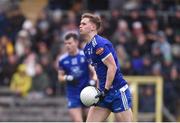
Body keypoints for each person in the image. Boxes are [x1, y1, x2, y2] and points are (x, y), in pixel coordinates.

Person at [79, 13, 133, 122]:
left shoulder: (100, 44)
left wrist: (106, 89)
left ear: (93, 27)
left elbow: (112, 67)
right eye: (80, 23)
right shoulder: (87, 49)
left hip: (117, 92)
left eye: (84, 24)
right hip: (103, 94)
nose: (80, 26)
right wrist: (100, 90)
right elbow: (98, 71)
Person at [58, 32, 97, 122]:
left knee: (90, 120)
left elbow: (94, 71)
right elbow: (60, 77)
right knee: (78, 121)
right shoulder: (63, 60)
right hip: (73, 94)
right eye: (66, 43)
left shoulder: (84, 55)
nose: (67, 46)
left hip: (86, 93)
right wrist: (67, 78)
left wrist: (93, 80)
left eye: (70, 43)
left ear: (76, 42)